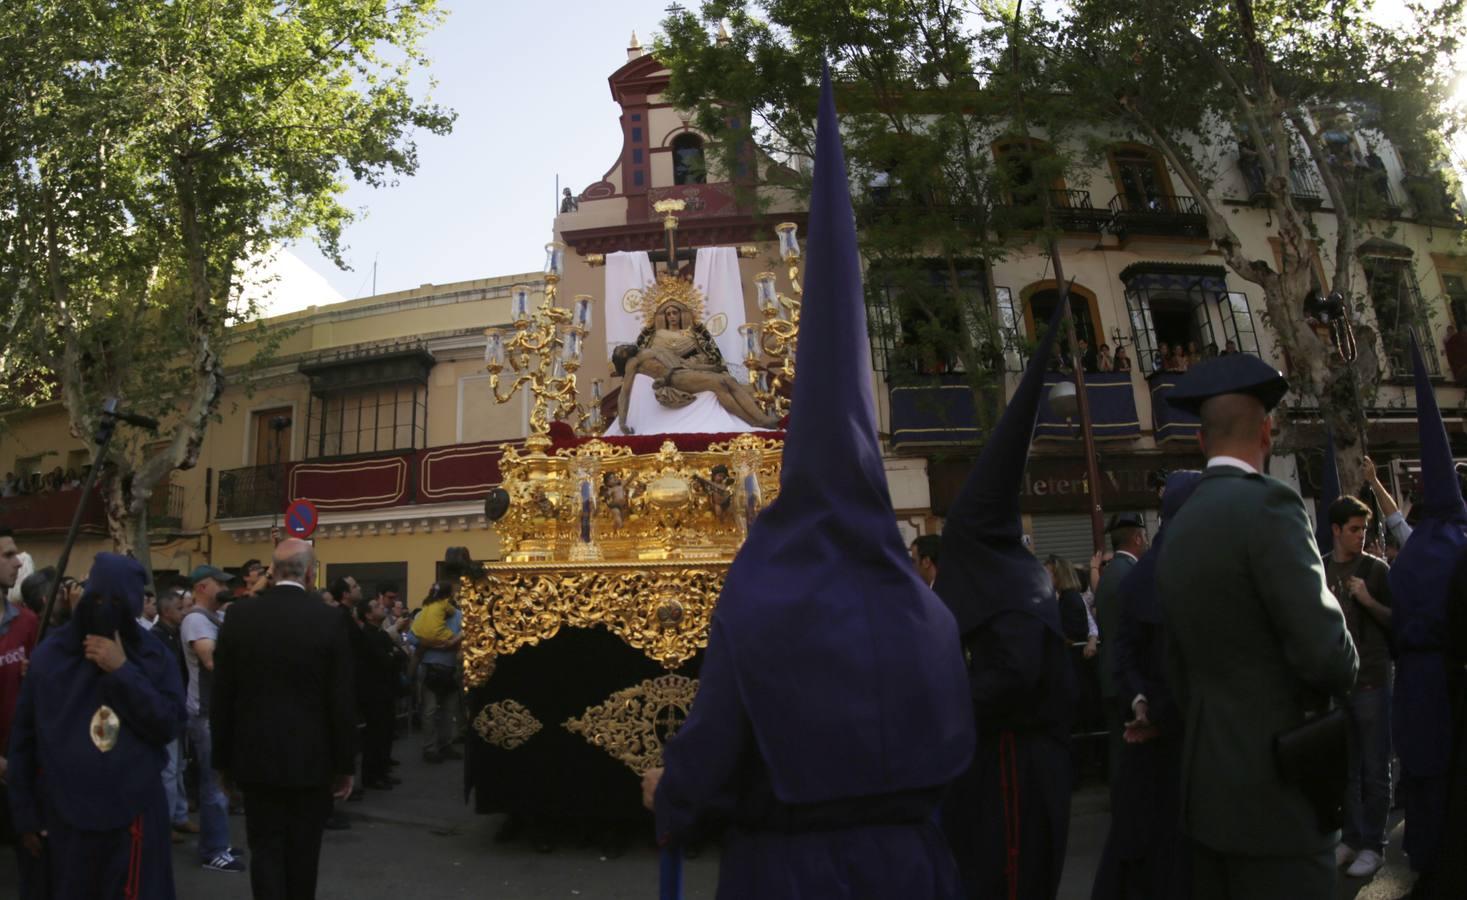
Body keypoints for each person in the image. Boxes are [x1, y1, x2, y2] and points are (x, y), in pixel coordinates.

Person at [644, 72, 974, 898]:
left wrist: (669, 799)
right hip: (915, 870)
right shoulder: (928, 611)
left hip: (791, 873)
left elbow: (710, 756)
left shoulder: (762, 605)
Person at [1157, 353, 1358, 899]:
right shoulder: (1272, 506)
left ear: (1201, 442)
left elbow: (1174, 663)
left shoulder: (1178, 526)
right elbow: (1327, 657)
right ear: (1267, 432)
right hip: (1281, 793)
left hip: (1208, 797)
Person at [937, 296, 1076, 900]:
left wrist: (943, 703)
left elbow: (1012, 676)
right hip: (998, 761)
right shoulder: (1012, 578)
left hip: (1015, 765)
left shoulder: (1016, 587)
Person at [6, 553, 185, 899]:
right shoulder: (51, 655)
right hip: (64, 820)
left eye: (117, 602)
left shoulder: (151, 655)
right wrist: (25, 816)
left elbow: (168, 723)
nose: (104, 607)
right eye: (97, 598)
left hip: (134, 820)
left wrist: (123, 672)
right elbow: (24, 740)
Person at [212, 538, 357, 900]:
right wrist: (345, 763)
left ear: (272, 572)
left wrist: (222, 761)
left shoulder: (240, 615)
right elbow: (340, 698)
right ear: (310, 573)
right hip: (311, 760)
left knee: (264, 850)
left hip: (255, 757)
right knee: (304, 853)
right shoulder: (329, 618)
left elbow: (223, 694)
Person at [1092, 470, 1202, 900]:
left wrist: (1141, 702)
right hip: (1186, 741)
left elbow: (1126, 650)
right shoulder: (1194, 568)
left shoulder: (1141, 574)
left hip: (1150, 724)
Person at [1387, 335, 1467, 898]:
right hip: (1447, 680)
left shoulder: (1411, 550)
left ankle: (1421, 855)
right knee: (1447, 777)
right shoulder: (1458, 546)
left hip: (1409, 679)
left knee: (1416, 770)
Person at [1323, 495, 1394, 878]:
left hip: (1372, 681)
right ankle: (1350, 838)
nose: (1360, 536)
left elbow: (1399, 621)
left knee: (1374, 766)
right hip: (1339, 684)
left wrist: (1367, 600)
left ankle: (1374, 844)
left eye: (1364, 528)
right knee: (1346, 769)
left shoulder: (1376, 570)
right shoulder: (1321, 568)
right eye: (1353, 529)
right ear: (1336, 530)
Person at [180, 564, 243, 873]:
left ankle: (219, 843)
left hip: (216, 712)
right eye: (219, 583)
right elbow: (212, 661)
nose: (225, 587)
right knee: (213, 786)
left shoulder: (214, 617)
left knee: (220, 784)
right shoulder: (195, 619)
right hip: (205, 714)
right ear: (202, 587)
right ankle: (213, 852)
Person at [613, 342, 779, 433]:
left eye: (622, 346)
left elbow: (685, 364)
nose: (623, 348)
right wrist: (622, 422)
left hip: (684, 371)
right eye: (620, 352)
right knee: (720, 384)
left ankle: (760, 418)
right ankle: (752, 421)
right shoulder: (633, 362)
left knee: (729, 380)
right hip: (675, 378)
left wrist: (713, 368)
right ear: (623, 359)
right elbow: (625, 392)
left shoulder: (654, 349)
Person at [0, 526, 39, 890]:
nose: (18, 561)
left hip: (20, 766)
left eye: (16, 553)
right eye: (8, 555)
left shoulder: (27, 622)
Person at [1095, 513, 1147, 783]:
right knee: (1134, 755)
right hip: (1127, 678)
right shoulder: (1131, 574)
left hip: (1109, 674)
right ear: (1138, 537)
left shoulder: (1108, 574)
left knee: (1119, 749)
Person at [151, 586, 197, 843]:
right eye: (180, 609)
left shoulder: (174, 635)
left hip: (178, 706)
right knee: (169, 769)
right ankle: (165, 822)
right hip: (167, 708)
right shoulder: (157, 638)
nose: (184, 613)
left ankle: (179, 815)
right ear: (167, 612)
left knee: (179, 766)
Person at [354, 594, 403, 791]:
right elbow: (385, 660)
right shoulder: (367, 635)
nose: (381, 608)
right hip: (374, 693)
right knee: (375, 735)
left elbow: (398, 655)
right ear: (367, 615)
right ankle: (372, 776)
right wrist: (392, 656)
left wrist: (393, 656)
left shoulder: (380, 634)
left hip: (386, 689)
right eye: (375, 606)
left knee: (385, 733)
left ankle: (382, 771)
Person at [410, 581, 462, 764]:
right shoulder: (422, 615)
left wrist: (450, 642)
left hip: (450, 669)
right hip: (431, 669)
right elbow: (413, 639)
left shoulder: (457, 615)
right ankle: (429, 748)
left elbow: (467, 633)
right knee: (430, 711)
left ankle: (445, 744)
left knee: (448, 711)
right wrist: (445, 644)